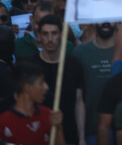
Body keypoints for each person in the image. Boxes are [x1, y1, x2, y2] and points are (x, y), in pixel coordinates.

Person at [31, 15, 85, 145]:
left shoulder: (73, 64)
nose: (50, 39)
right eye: (45, 34)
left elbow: (79, 102)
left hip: (70, 136)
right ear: (39, 36)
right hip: (38, 137)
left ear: (61, 34)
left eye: (54, 33)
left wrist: (82, 138)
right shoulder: (31, 66)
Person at [0, 62, 64, 145]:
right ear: (27, 88)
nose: (46, 87)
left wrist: (58, 128)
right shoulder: (2, 123)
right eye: (41, 83)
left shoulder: (49, 116)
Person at [74, 22, 116, 145]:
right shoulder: (80, 52)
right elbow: (78, 98)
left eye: (110, 17)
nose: (106, 22)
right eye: (101, 17)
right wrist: (81, 137)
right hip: (91, 131)